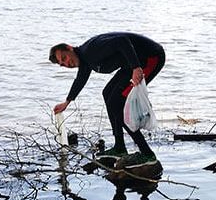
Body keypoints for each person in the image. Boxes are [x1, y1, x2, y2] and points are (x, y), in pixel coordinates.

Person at [50, 32, 165, 168]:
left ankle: (147, 154)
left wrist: (136, 67)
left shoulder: (91, 50)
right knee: (108, 93)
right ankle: (119, 147)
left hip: (150, 57)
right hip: (131, 63)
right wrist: (67, 102)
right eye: (62, 64)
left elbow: (122, 41)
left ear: (70, 48)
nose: (66, 63)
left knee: (116, 103)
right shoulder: (85, 59)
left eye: (64, 58)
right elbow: (81, 79)